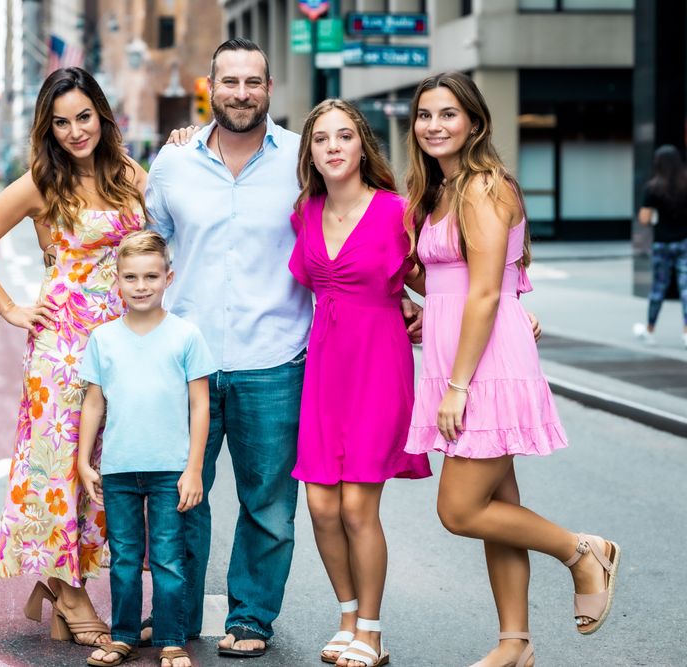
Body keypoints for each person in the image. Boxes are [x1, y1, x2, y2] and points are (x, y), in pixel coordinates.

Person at [146, 38, 423, 658]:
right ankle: (178, 617)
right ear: (209, 87)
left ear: (269, 89)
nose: (240, 92)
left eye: (253, 82)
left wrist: (405, 298)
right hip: (188, 361)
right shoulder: (173, 164)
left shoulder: (307, 158)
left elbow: (369, 237)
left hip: (277, 358)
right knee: (180, 499)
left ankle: (250, 619)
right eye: (229, 81)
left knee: (268, 507)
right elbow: (148, 247)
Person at [402, 71, 621, 667]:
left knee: (460, 510)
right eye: (425, 115)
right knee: (499, 506)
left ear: (475, 122)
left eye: (449, 114)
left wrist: (457, 386)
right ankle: (515, 644)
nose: (435, 125)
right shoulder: (441, 191)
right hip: (463, 353)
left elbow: (485, 294)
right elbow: (458, 280)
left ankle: (583, 551)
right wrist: (415, 302)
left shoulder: (482, 186)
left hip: (481, 367)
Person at [0, 66, 148, 647]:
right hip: (62, 350)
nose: (74, 131)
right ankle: (68, 590)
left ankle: (64, 582)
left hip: (123, 348)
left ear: (102, 115)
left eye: (83, 117)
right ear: (48, 128)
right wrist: (11, 308)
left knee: (104, 470)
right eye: (60, 122)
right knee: (58, 469)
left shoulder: (131, 174)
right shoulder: (41, 182)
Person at [288, 99, 432, 667]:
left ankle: (370, 632)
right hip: (322, 370)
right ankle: (346, 615)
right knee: (320, 506)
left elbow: (441, 278)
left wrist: (420, 307)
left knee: (355, 508)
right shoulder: (305, 212)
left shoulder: (399, 211)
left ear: (361, 145)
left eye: (344, 135)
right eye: (321, 139)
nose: (333, 146)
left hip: (378, 365)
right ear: (312, 154)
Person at [77, 230, 215, 667]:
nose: (141, 286)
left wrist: (193, 469)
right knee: (124, 560)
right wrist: (83, 461)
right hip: (118, 469)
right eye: (132, 277)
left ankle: (171, 640)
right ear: (116, 280)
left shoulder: (186, 336)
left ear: (168, 278)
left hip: (169, 470)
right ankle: (123, 636)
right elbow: (94, 401)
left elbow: (200, 405)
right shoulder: (104, 339)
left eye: (151, 276)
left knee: (170, 561)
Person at [634, 144, 687, 348]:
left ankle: (650, 330)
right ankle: (685, 332)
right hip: (684, 242)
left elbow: (644, 219)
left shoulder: (653, 187)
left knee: (658, 288)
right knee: (685, 288)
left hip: (662, 243)